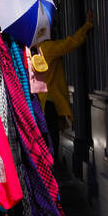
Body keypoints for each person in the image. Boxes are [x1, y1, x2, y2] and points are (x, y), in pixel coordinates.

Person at [31, 9, 95, 158]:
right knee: (52, 137)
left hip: (41, 101)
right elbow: (70, 43)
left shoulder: (34, 50)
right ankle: (52, 167)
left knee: (47, 136)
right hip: (50, 101)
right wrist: (87, 26)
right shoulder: (47, 48)